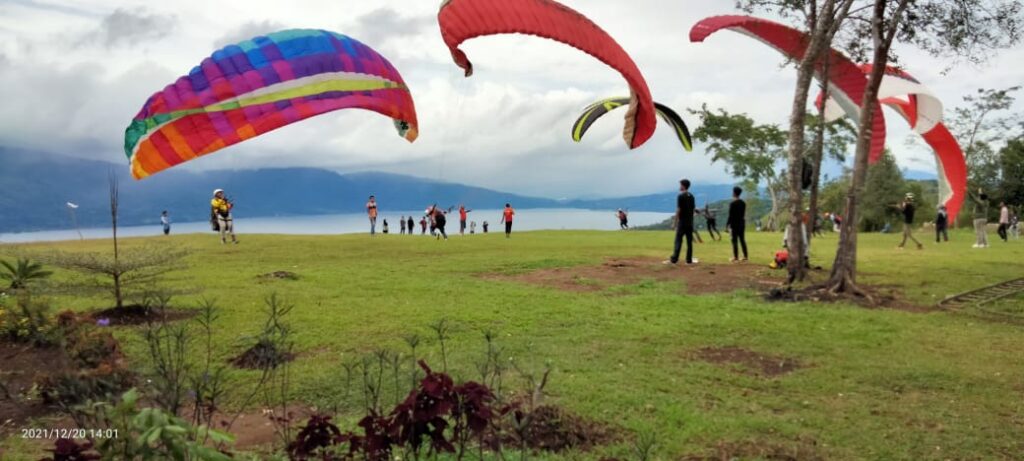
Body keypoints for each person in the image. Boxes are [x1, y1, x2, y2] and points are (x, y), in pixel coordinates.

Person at [665, 179, 697, 265]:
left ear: (683, 186)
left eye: (680, 185)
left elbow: (678, 210)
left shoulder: (680, 196)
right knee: (689, 242)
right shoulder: (692, 196)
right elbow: (693, 209)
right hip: (690, 222)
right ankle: (689, 260)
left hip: (682, 222)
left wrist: (674, 223)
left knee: (678, 240)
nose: (679, 187)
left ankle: (674, 259)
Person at [726, 187, 748, 262]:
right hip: (742, 223)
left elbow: (730, 216)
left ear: (734, 193)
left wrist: (727, 225)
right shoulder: (743, 203)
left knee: (734, 240)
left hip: (734, 224)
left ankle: (736, 257)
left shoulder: (732, 204)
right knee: (742, 240)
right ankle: (745, 256)